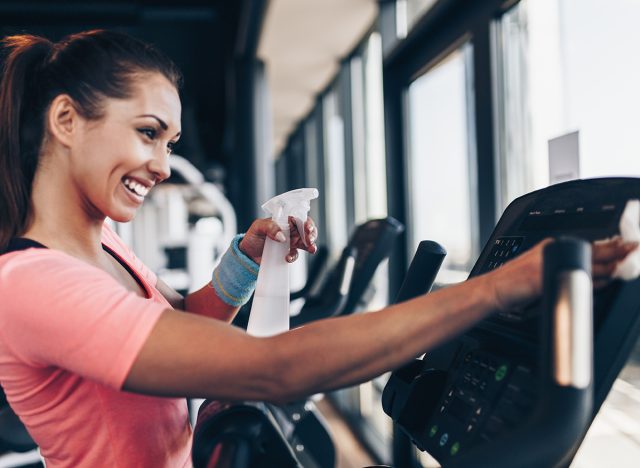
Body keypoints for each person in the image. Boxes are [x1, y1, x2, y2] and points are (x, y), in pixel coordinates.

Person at [0, 30, 635, 468]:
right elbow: (273, 369)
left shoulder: (102, 243)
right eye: (149, 134)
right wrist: (495, 288)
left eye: (171, 143)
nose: (164, 165)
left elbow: (181, 326)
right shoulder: (32, 285)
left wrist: (248, 255)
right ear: (65, 122)